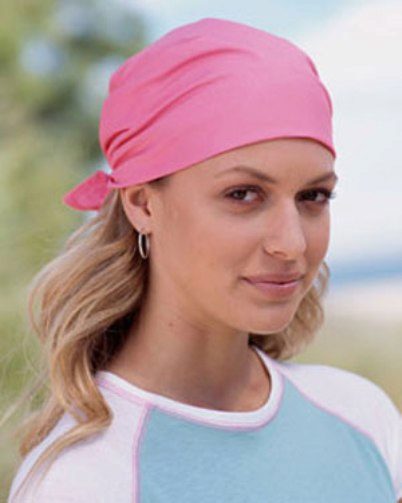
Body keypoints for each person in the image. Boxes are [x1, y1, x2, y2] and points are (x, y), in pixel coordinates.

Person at [7, 16, 401, 503]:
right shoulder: (85, 482)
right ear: (142, 204)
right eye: (243, 194)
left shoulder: (363, 418)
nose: (292, 243)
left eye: (313, 196)